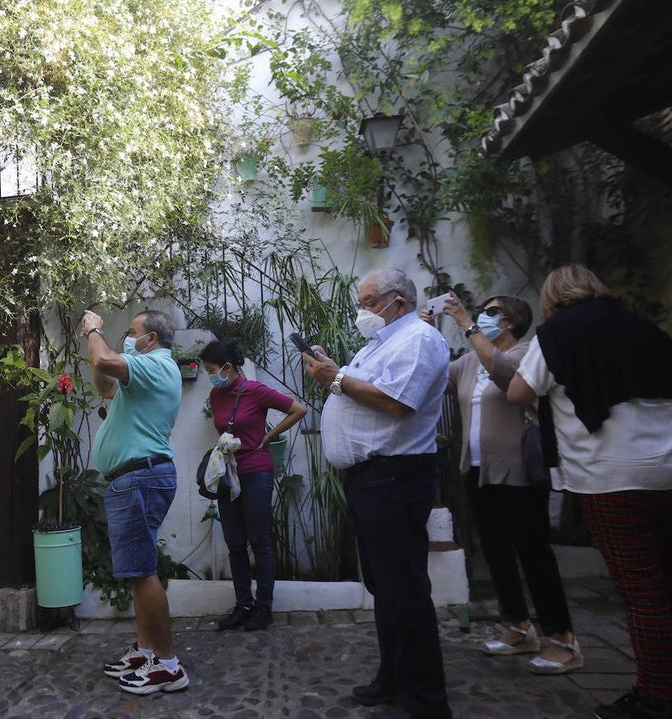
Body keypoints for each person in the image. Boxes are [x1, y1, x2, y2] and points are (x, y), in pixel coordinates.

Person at [507, 264, 672, 719]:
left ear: (550, 297)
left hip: (615, 474)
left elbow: (520, 393)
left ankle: (656, 700)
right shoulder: (636, 322)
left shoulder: (556, 332)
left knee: (643, 591)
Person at [302, 268, 453, 719]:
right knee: (385, 588)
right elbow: (359, 394)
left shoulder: (420, 340)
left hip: (395, 478)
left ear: (398, 301)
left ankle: (425, 701)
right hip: (371, 481)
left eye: (369, 302)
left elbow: (396, 402)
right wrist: (333, 372)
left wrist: (336, 378)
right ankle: (394, 677)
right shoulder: (381, 343)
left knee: (403, 590)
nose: (362, 311)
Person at [428, 293, 582, 674]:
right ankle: (518, 625)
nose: (483, 315)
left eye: (492, 312)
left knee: (533, 553)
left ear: (511, 321)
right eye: (482, 311)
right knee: (495, 551)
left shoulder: (528, 352)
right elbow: (434, 379)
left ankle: (562, 639)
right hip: (478, 470)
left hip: (518, 470)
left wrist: (467, 323)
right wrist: (428, 334)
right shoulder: (467, 363)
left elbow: (505, 375)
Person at [81, 308, 187, 695]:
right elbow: (105, 384)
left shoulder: (157, 365)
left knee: (142, 572)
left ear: (152, 339)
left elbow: (103, 358)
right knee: (137, 571)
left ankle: (169, 665)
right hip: (135, 477)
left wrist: (94, 330)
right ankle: (146, 652)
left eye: (133, 332)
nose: (129, 337)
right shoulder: (143, 372)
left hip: (140, 476)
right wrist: (99, 353)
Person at [199, 338, 306, 632]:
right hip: (228, 475)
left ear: (228, 368)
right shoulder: (216, 394)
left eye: (211, 369)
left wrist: (270, 437)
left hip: (256, 471)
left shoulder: (255, 391)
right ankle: (243, 604)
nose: (209, 375)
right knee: (234, 542)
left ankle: (263, 607)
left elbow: (298, 409)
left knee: (259, 541)